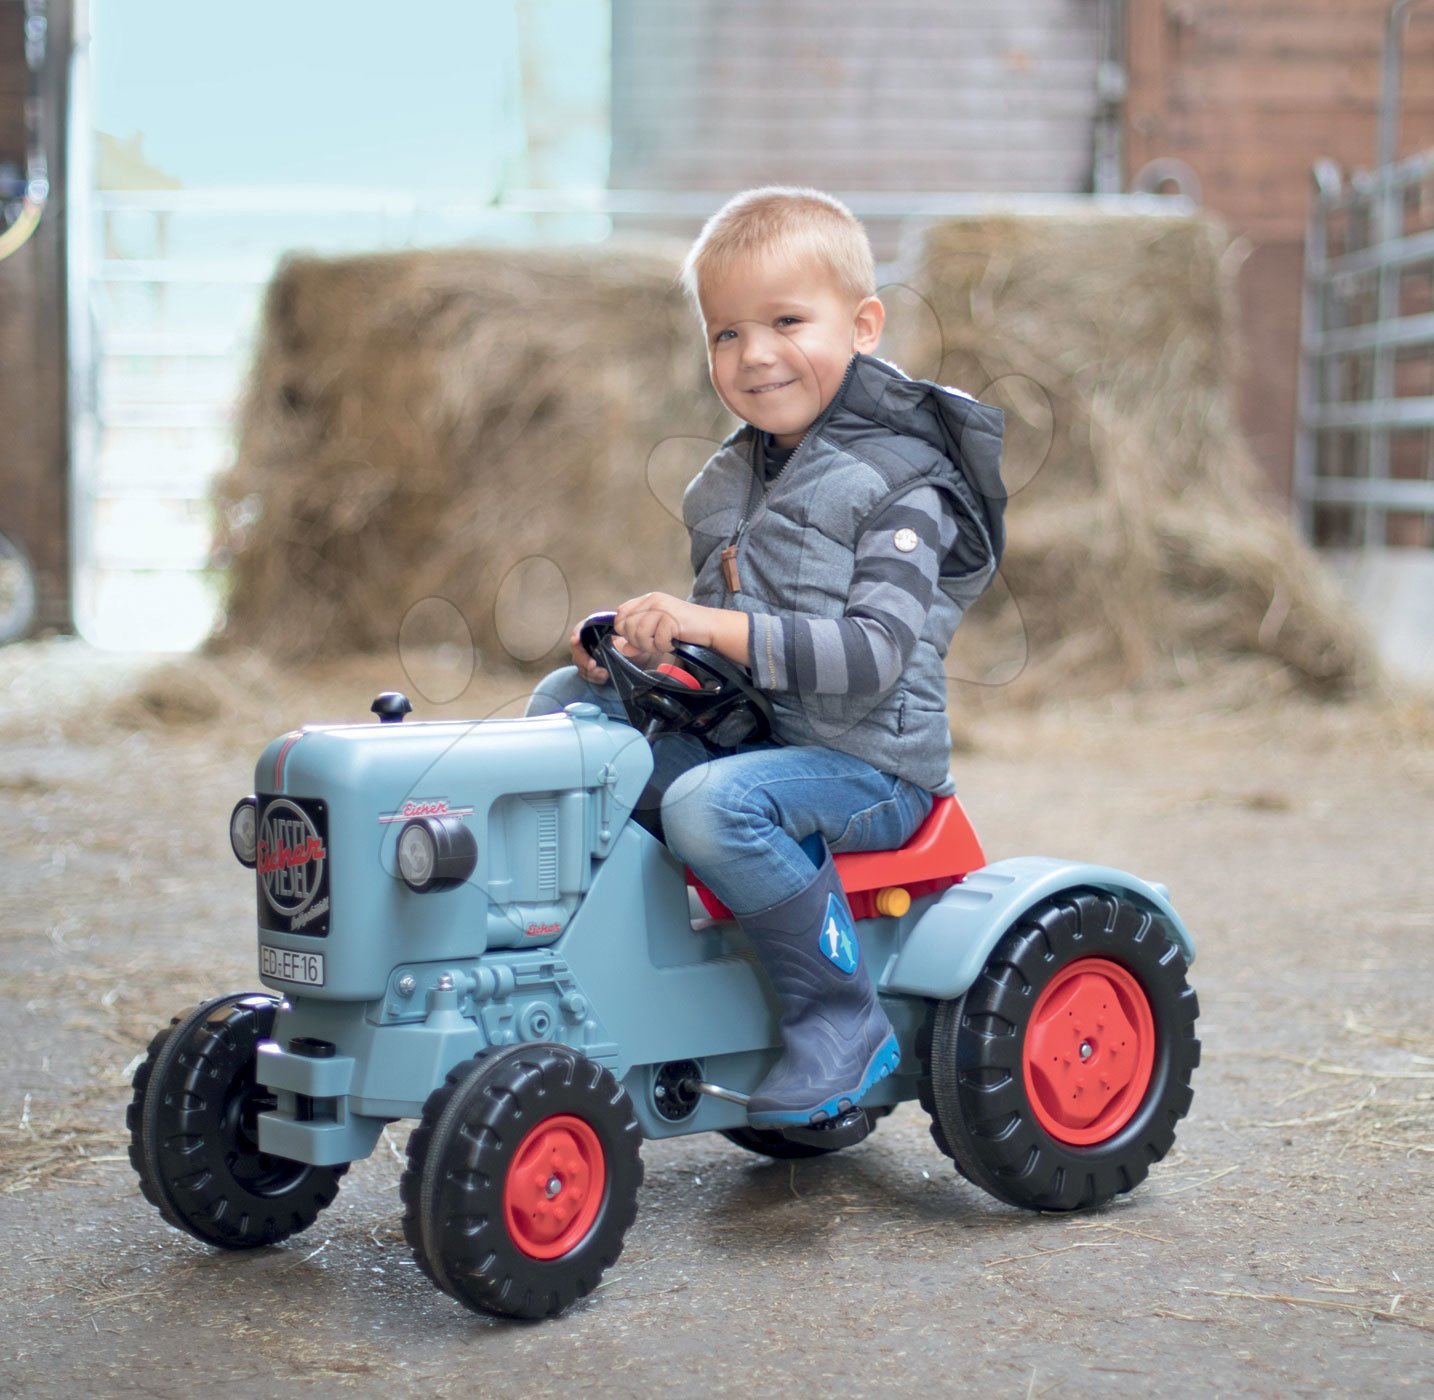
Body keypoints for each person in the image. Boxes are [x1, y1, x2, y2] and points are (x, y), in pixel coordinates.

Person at [527, 186, 1004, 1129]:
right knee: (567, 720)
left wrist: (705, 626)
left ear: (864, 325)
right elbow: (733, 649)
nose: (753, 355)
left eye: (786, 320)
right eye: (725, 334)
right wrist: (639, 649)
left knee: (716, 800)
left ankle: (840, 1015)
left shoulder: (906, 486)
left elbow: (868, 656)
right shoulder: (727, 484)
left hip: (870, 767)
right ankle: (574, 959)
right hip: (768, 737)